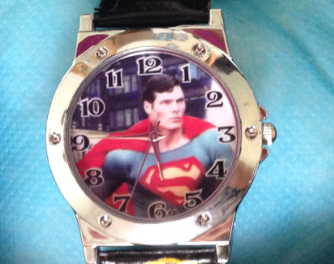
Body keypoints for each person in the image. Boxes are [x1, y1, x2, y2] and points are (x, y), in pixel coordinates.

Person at [76, 74, 234, 218]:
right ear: (148, 107)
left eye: (180, 101)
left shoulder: (210, 142)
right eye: (166, 102)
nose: (175, 109)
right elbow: (88, 205)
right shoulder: (123, 159)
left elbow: (234, 192)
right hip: (139, 235)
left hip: (210, 225)